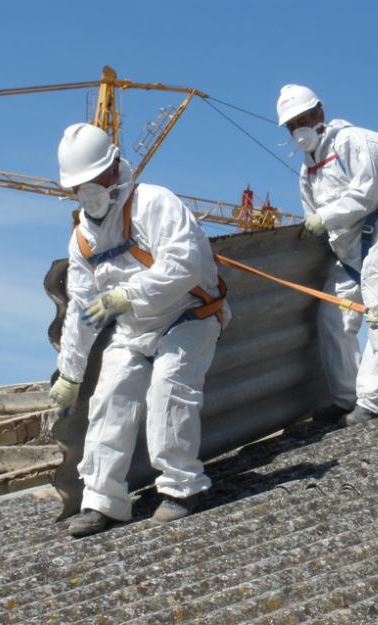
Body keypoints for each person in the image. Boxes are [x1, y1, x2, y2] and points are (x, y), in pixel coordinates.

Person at [48, 123, 229, 538]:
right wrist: (70, 375)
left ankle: (182, 487)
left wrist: (124, 295)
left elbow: (184, 265)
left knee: (168, 388)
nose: (90, 191)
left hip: (191, 314)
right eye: (80, 186)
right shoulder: (82, 240)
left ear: (115, 170)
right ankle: (103, 501)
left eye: (96, 180)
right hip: (134, 329)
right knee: (109, 397)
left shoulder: (154, 203)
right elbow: (80, 309)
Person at [276, 84, 378, 426]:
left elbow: (365, 196)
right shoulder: (308, 170)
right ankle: (346, 397)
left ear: (319, 113)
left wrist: (323, 219)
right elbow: (316, 217)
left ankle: (375, 402)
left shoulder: (355, 141)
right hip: (347, 252)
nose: (298, 129)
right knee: (331, 318)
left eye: (303, 119)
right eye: (291, 125)